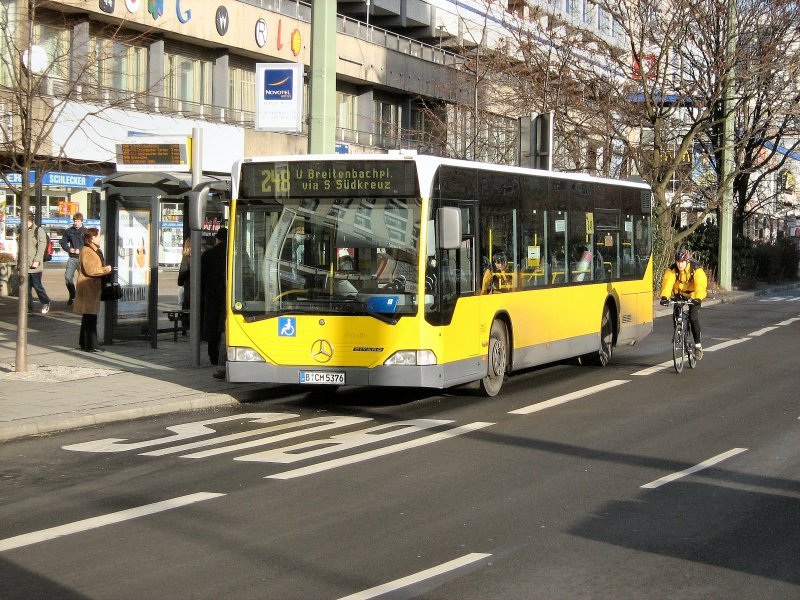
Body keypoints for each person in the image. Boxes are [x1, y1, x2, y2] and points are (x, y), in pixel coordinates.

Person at [660, 247, 708, 359]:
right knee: (676, 313)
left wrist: (698, 298)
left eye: (682, 262)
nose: (679, 264)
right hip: (679, 294)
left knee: (693, 318)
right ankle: (679, 333)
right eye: (677, 262)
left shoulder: (696, 269)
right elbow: (667, 284)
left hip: (693, 295)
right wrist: (664, 297)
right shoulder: (672, 270)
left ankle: (698, 346)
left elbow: (701, 285)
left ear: (687, 261)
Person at [74, 227, 112, 352]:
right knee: (90, 317)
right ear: (92, 237)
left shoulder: (93, 250)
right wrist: (106, 269)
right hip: (89, 287)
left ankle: (85, 343)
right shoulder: (87, 251)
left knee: (89, 316)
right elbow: (91, 270)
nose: (100, 239)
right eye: (98, 236)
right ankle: (91, 344)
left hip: (92, 287)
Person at [201, 227, 227, 378]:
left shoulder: (208, 254)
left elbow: (202, 277)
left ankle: (213, 356)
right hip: (227, 296)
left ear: (217, 239)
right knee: (223, 326)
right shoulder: (234, 253)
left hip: (211, 295)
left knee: (211, 325)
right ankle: (222, 359)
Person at [24, 213, 51, 314]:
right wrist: (18, 262)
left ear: (30, 220)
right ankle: (29, 309)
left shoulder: (38, 230)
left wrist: (37, 260)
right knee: (26, 288)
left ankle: (46, 301)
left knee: (37, 285)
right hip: (25, 264)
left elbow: (41, 247)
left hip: (34, 264)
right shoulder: (23, 231)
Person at [60, 212, 85, 306]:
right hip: (72, 258)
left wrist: (81, 250)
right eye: (75, 221)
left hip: (82, 258)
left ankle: (82, 298)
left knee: (83, 279)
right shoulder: (69, 231)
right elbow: (63, 243)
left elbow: (88, 244)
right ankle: (72, 295)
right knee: (68, 277)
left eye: (78, 221)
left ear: (81, 221)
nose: (76, 223)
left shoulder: (85, 231)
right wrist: (69, 249)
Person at [177, 237, 191, 312]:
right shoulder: (203, 256)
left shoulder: (186, 258)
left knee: (187, 312)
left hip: (189, 292)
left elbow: (181, 277)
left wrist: (180, 282)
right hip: (202, 293)